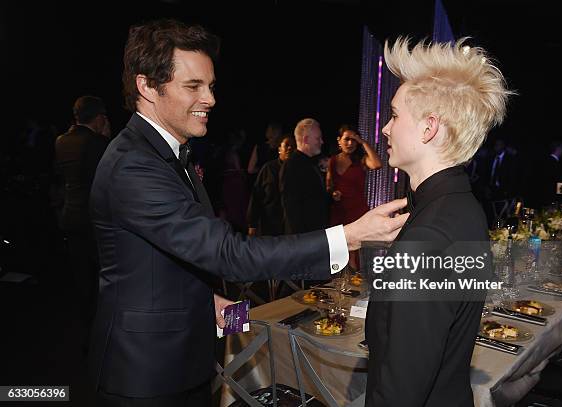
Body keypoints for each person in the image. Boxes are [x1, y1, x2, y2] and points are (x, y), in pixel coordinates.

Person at [89, 19, 407, 407]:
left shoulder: (169, 153)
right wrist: (348, 235)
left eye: (211, 86)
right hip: (144, 374)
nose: (210, 99)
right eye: (193, 86)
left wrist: (204, 300)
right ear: (146, 87)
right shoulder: (133, 164)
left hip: (180, 357)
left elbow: (160, 257)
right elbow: (229, 254)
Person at [365, 38, 511, 406]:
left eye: (395, 116)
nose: (385, 129)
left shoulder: (429, 235)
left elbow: (400, 392)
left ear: (429, 128)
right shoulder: (462, 206)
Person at [54, 95, 110, 351]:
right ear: (99, 119)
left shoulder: (61, 141)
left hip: (70, 217)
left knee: (81, 278)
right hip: (94, 221)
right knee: (102, 278)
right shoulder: (97, 143)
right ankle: (100, 336)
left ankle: (84, 332)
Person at [327, 125, 382, 270]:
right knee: (339, 250)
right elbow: (328, 185)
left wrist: (363, 142)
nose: (350, 143)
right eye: (347, 139)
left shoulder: (361, 161)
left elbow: (377, 164)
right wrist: (332, 193)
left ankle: (355, 286)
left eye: (354, 140)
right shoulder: (332, 161)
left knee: (355, 252)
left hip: (357, 211)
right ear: (339, 141)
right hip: (338, 211)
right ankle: (340, 284)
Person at [280, 118, 330, 234]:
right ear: (306, 140)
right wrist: (300, 242)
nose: (322, 142)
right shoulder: (291, 166)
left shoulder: (311, 162)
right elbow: (290, 207)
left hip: (314, 234)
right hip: (304, 238)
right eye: (318, 138)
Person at [247, 135, 295, 236]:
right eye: (286, 145)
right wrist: (252, 224)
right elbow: (256, 197)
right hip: (270, 224)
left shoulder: (299, 170)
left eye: (292, 146)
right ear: (279, 149)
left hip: (292, 226)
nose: (289, 148)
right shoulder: (268, 169)